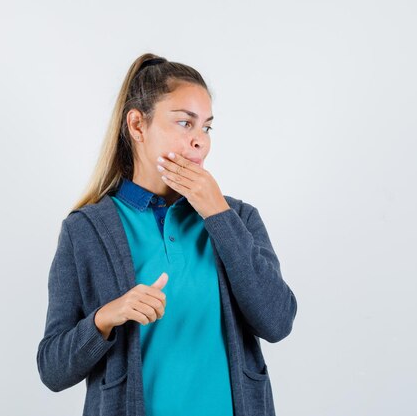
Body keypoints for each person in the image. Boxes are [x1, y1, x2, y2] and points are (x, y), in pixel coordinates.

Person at [36, 53, 298, 416]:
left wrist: (217, 213)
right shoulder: (85, 230)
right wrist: (105, 317)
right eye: (184, 123)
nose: (199, 142)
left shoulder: (237, 217)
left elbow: (277, 321)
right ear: (137, 126)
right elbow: (52, 368)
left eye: (206, 127)